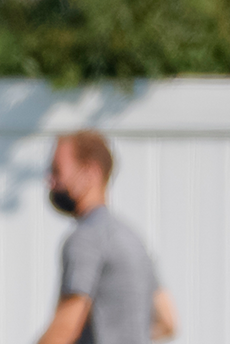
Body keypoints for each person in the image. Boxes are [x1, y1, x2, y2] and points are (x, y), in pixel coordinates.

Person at [37, 130, 177, 344]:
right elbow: (168, 322)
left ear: (91, 172)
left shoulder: (85, 239)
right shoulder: (132, 240)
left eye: (57, 171)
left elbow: (66, 327)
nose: (50, 180)